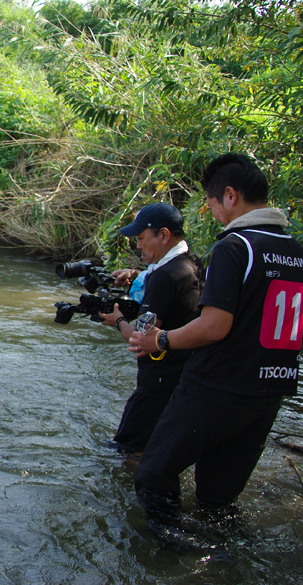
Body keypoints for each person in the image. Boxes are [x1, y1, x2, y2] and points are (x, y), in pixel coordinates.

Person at [129, 153, 303, 524]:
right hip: (269, 392)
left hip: (218, 386)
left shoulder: (236, 245)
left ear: (229, 195)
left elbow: (215, 326)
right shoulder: (295, 250)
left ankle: (173, 558)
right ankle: (218, 560)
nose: (214, 214)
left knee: (152, 475)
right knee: (216, 501)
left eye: (211, 205)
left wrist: (161, 340)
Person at [97, 203, 204, 453]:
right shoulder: (193, 265)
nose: (138, 245)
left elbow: (141, 339)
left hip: (157, 383)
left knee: (126, 449)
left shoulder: (164, 277)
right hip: (184, 378)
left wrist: (118, 321)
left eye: (142, 238)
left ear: (164, 235)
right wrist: (136, 275)